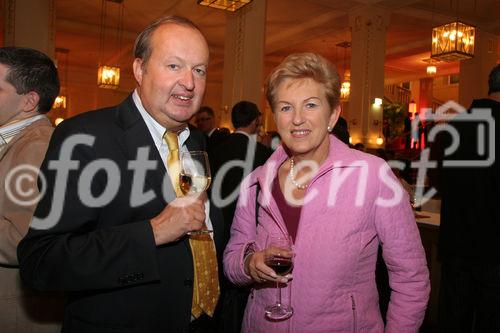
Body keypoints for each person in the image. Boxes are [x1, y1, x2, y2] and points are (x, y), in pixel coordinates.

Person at [18, 16, 224, 333]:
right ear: (139, 69)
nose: (190, 82)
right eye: (174, 66)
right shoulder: (84, 137)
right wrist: (152, 232)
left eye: (199, 70)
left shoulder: (197, 141)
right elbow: (43, 261)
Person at [223, 52, 430, 332]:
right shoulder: (256, 182)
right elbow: (232, 259)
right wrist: (250, 263)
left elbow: (411, 279)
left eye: (310, 105)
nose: (297, 119)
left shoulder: (373, 177)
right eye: (285, 108)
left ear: (333, 114)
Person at [0, 47, 64, 333]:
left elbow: (24, 239)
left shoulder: (36, 146)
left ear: (29, 101)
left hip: (16, 313)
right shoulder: (15, 139)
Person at [435, 64, 500, 332]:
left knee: (453, 319)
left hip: (456, 244)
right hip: (494, 248)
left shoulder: (455, 125)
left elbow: (439, 181)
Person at [210, 100, 272, 240]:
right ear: (255, 121)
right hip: (249, 221)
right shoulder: (261, 152)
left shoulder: (217, 149)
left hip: (219, 218)